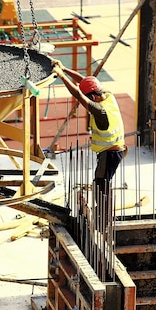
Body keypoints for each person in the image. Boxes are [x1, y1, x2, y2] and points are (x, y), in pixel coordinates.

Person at [52, 61, 125, 226]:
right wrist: (64, 69)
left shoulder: (100, 110)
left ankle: (104, 221)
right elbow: (84, 81)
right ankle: (103, 216)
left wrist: (62, 76)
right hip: (114, 150)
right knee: (101, 183)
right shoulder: (107, 95)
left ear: (92, 97)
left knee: (101, 184)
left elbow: (78, 93)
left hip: (110, 153)